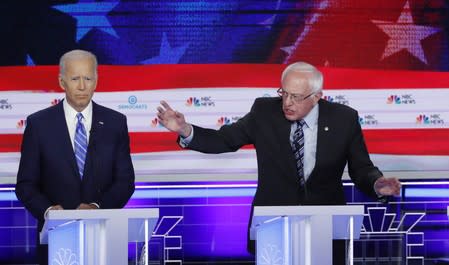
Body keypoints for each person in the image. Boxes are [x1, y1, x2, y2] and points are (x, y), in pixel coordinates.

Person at [157, 62, 401, 264]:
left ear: (317, 96)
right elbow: (224, 140)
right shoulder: (264, 112)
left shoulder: (344, 118)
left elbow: (361, 168)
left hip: (325, 225)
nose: (287, 103)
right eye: (283, 93)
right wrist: (186, 130)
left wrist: (377, 184)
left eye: (296, 97)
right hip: (273, 225)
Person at [15, 49, 135, 265]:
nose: (82, 86)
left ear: (96, 81)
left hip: (104, 235)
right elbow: (25, 185)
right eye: (75, 79)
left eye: (88, 78)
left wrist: (97, 208)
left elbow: (125, 181)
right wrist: (49, 211)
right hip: (56, 240)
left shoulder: (115, 122)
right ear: (62, 82)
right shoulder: (39, 124)